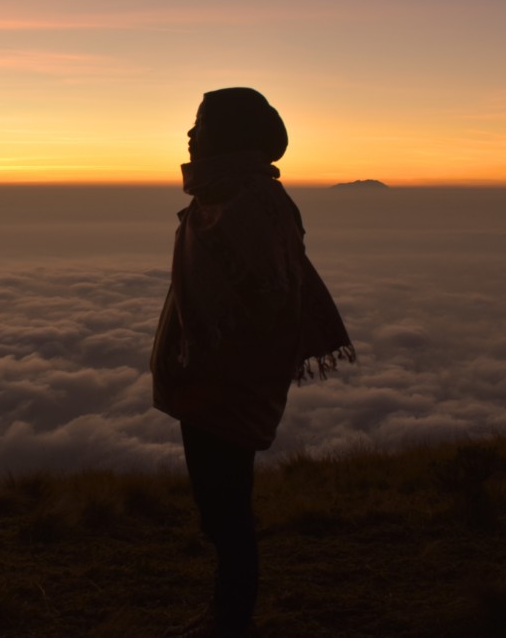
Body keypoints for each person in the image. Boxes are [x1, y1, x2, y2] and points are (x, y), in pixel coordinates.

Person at [151, 87, 355, 638]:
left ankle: (231, 620)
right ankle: (226, 612)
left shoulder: (254, 202)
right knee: (217, 510)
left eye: (201, 125)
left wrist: (220, 362)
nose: (190, 135)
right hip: (205, 379)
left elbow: (270, 296)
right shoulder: (220, 196)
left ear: (230, 133)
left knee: (228, 512)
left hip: (230, 382)